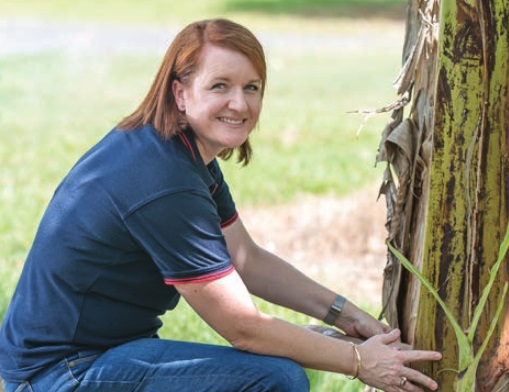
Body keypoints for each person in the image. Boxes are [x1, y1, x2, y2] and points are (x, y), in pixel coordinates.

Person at [0, 18, 441, 392]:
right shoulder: (161, 177)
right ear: (180, 94)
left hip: (98, 353)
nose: (240, 103)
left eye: (252, 87)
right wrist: (359, 362)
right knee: (277, 379)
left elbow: (245, 258)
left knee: (291, 353)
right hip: (57, 374)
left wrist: (350, 318)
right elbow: (242, 328)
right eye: (220, 86)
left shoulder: (181, 151)